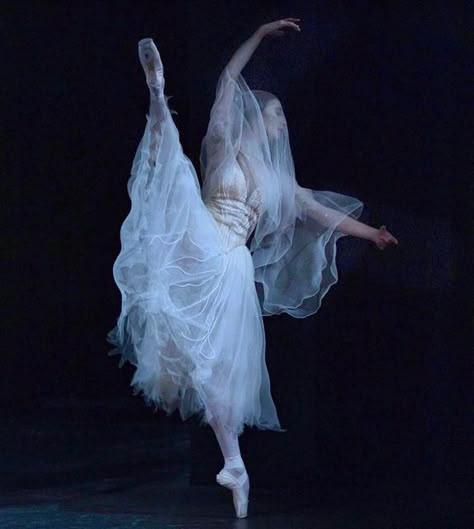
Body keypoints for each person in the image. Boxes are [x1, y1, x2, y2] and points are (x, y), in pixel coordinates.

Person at [107, 18, 399, 519]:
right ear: (258, 116)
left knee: (217, 372)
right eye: (277, 114)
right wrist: (259, 37)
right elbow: (226, 83)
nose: (282, 123)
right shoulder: (223, 141)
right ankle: (159, 98)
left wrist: (370, 234)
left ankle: (235, 466)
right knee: (175, 168)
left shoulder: (273, 179)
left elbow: (314, 208)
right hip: (200, 233)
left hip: (231, 268)